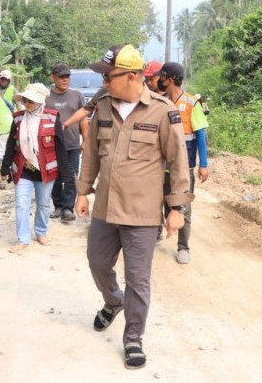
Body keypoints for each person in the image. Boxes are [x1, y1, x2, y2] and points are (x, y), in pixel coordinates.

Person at [75, 44, 193, 370]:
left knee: (138, 279)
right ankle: (113, 302)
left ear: (130, 76)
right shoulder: (103, 106)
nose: (104, 82)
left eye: (108, 76)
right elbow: (92, 155)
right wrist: (83, 191)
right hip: (105, 208)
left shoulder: (162, 110)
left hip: (141, 213)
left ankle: (133, 337)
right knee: (97, 263)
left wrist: (177, 208)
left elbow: (178, 162)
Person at [1, 83, 70, 253]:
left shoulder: (52, 118)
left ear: (40, 102)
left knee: (44, 204)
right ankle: (23, 239)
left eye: (31, 100)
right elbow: (11, 144)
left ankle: (41, 232)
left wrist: (66, 173)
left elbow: (60, 146)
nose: (27, 103)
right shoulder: (17, 119)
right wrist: (5, 167)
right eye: (25, 100)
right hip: (24, 170)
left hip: (46, 170)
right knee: (21, 205)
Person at [154, 62, 210, 264]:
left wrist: (204, 164)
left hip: (184, 167)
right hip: (162, 165)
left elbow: (201, 135)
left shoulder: (192, 103)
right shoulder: (160, 102)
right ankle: (158, 232)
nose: (158, 80)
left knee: (183, 206)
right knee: (160, 200)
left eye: (162, 77)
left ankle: (183, 247)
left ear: (170, 80)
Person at [45, 63, 88, 223]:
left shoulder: (77, 95)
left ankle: (68, 208)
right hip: (51, 145)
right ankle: (58, 205)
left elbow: (83, 118)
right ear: (53, 77)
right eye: (61, 76)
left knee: (71, 176)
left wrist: (85, 140)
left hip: (72, 144)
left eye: (67, 76)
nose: (65, 79)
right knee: (54, 176)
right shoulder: (46, 97)